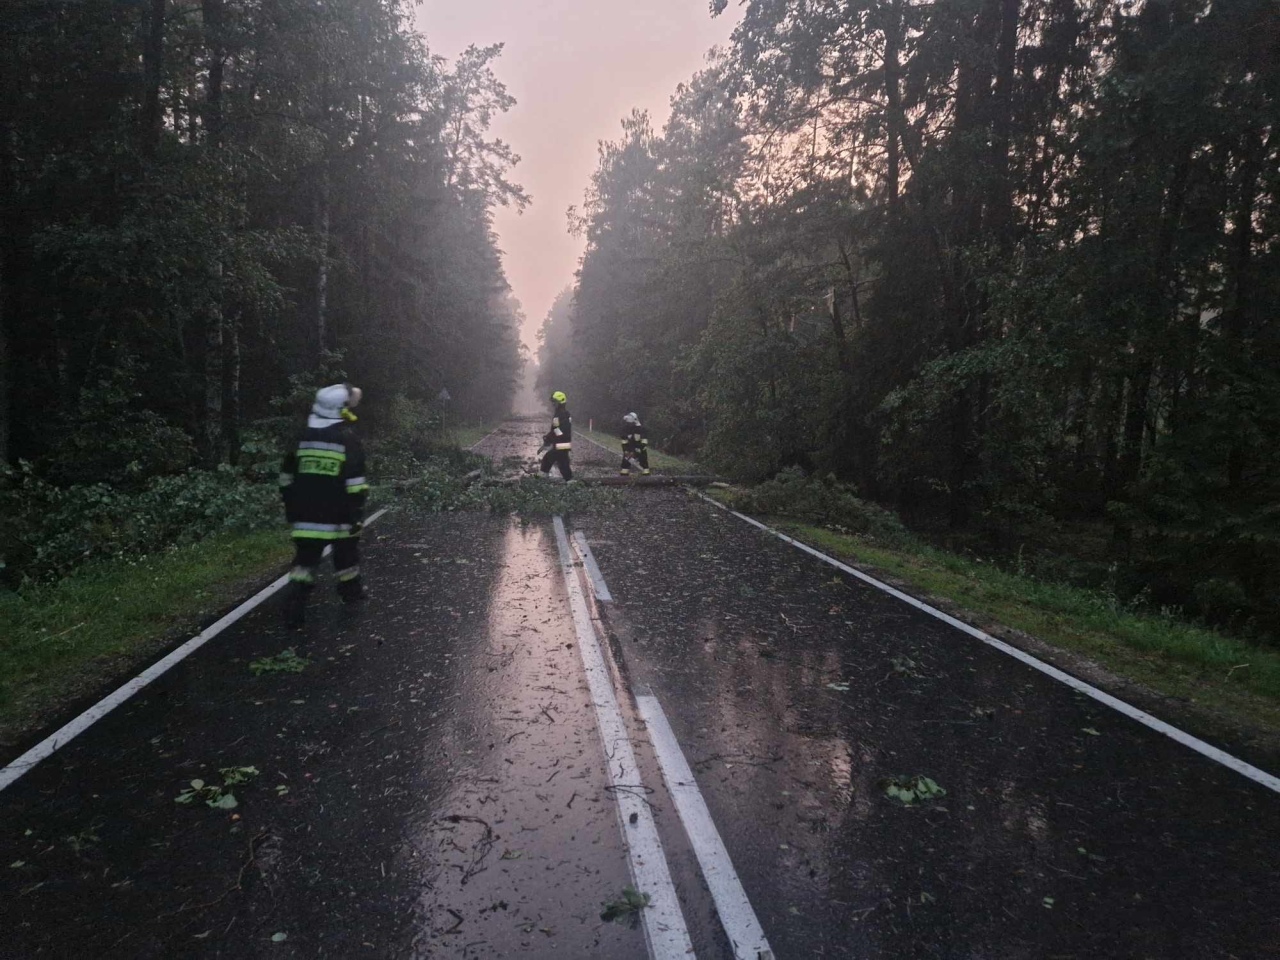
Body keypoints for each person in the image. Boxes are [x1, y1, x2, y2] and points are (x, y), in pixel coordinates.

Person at [279, 383, 369, 626]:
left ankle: (294, 606)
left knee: (304, 563)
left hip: (305, 516)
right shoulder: (347, 439)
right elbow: (356, 484)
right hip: (339, 515)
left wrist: (291, 509)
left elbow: (286, 478)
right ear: (339, 409)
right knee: (346, 557)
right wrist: (357, 514)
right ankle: (351, 595)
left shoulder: (301, 437)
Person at [540, 390, 573, 481]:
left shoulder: (562, 415)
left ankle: (542, 477)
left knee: (549, 459)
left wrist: (549, 438)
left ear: (559, 403)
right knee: (562, 463)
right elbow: (555, 429)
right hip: (561, 443)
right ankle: (569, 480)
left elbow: (559, 430)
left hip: (561, 443)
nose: (553, 404)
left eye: (554, 402)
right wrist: (549, 438)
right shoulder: (561, 414)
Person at [619, 411, 650, 476]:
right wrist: (625, 449)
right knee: (626, 459)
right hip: (629, 447)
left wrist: (641, 447)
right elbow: (624, 439)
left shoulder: (641, 429)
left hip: (639, 447)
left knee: (643, 459)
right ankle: (624, 472)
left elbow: (644, 439)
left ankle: (646, 472)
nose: (628, 423)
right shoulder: (627, 428)